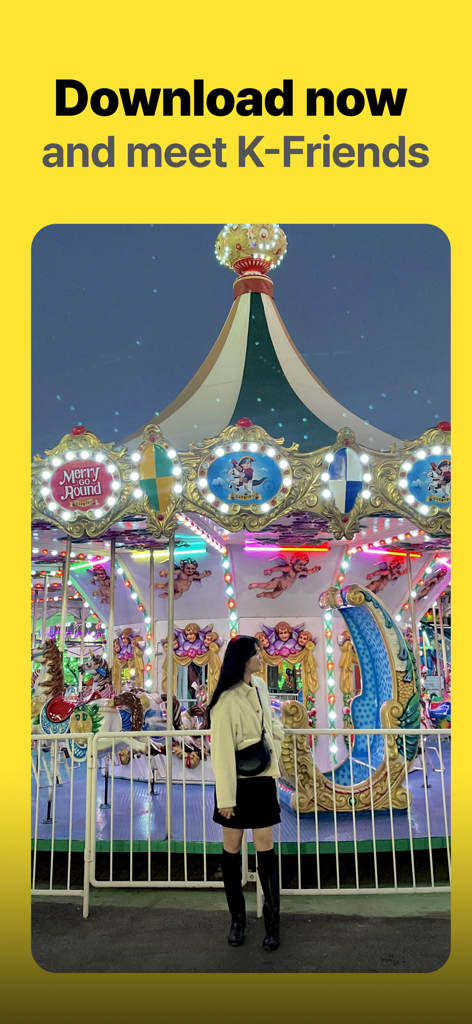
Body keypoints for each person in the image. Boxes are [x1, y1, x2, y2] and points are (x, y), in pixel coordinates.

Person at [208, 636, 284, 951]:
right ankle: (237, 919)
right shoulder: (225, 701)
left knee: (265, 848)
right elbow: (222, 752)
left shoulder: (261, 687)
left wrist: (276, 735)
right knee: (232, 848)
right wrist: (226, 798)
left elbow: (270, 721)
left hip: (262, 779)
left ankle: (273, 923)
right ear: (243, 660)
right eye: (256, 653)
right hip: (237, 784)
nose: (261, 657)